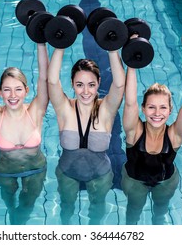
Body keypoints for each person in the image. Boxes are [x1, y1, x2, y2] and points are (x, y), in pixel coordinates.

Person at [48, 48, 125, 224]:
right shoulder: (64, 109)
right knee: (66, 210)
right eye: (79, 84)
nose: (85, 91)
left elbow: (119, 84)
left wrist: (113, 49)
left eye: (91, 84)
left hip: (100, 176)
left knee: (96, 212)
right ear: (72, 84)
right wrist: (60, 45)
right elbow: (52, 81)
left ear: (99, 82)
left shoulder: (106, 109)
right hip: (67, 174)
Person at [0, 42, 49, 225]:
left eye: (18, 89)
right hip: (5, 172)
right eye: (7, 89)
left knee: (26, 207)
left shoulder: (35, 111)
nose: (12, 95)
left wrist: (41, 42)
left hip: (36, 169)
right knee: (9, 204)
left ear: (26, 91)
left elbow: (45, 79)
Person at [121, 66, 182, 224]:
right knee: (133, 212)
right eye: (151, 107)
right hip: (134, 181)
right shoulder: (134, 132)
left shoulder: (174, 136)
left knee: (160, 212)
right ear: (143, 109)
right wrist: (131, 65)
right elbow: (130, 103)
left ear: (170, 110)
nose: (157, 113)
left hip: (166, 182)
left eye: (163, 107)